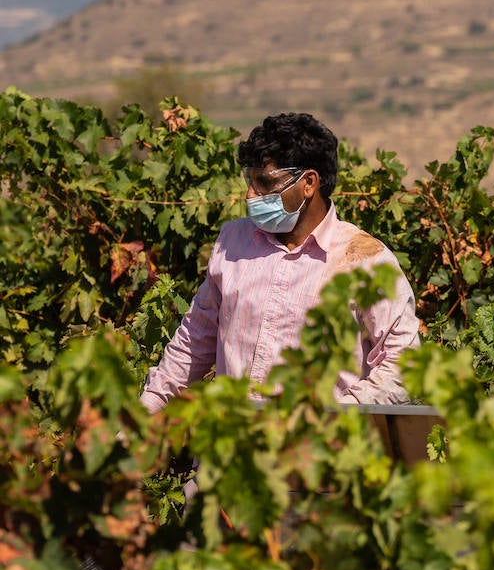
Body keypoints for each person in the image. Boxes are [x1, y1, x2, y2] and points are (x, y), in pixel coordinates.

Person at [141, 112, 420, 412]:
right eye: (249, 181)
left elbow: (403, 368)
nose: (250, 195)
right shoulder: (233, 244)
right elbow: (193, 342)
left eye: (264, 183)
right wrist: (144, 415)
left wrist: (335, 418)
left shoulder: (367, 261)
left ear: (308, 183)